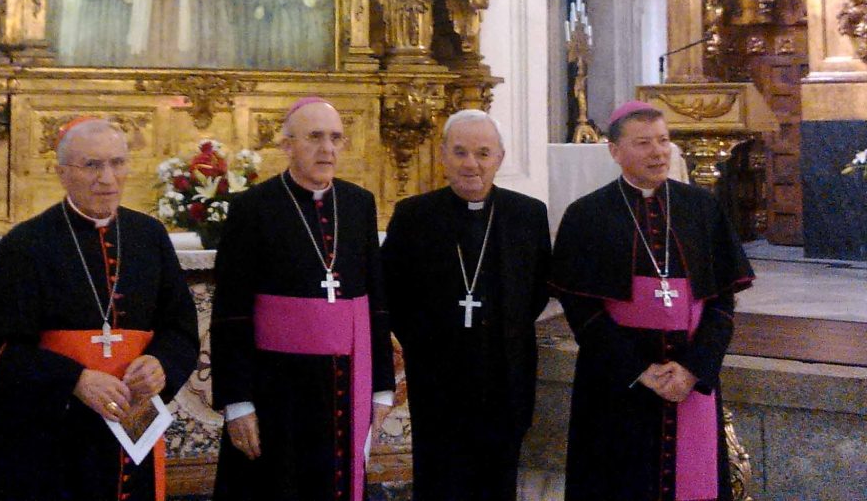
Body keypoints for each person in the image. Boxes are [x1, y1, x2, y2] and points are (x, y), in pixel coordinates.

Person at [0, 118, 200, 501]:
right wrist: (74, 379)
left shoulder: (150, 236)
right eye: (92, 165)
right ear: (62, 172)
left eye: (117, 163)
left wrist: (161, 364)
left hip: (131, 424)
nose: (107, 178)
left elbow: (180, 328)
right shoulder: (25, 244)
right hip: (50, 435)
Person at [550, 101, 755, 501]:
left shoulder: (702, 208)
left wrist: (694, 370)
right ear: (615, 150)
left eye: (663, 141)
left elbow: (722, 302)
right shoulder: (587, 215)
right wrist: (638, 370)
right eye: (643, 143)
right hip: (617, 381)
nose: (659, 152)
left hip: (689, 375)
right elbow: (582, 311)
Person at [210, 97, 395, 501]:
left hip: (345, 383)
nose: (327, 149)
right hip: (276, 388)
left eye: (335, 138)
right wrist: (237, 401)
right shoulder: (252, 208)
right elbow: (230, 313)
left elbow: (376, 301)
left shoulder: (359, 203)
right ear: (287, 145)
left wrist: (382, 386)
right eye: (314, 137)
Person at [382, 110, 551, 501]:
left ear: (500, 158)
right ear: (442, 155)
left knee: (499, 480)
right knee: (439, 479)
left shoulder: (528, 215)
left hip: (506, 373)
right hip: (437, 377)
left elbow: (537, 288)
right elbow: (392, 291)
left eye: (483, 153)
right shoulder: (414, 216)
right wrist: (426, 342)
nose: (471, 164)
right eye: (460, 152)